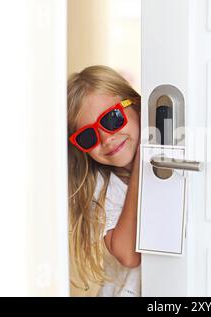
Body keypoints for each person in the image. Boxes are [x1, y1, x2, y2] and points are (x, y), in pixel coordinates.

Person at [67, 65, 141, 296]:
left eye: (112, 119)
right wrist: (142, 165)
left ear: (135, 105)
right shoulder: (98, 184)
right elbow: (129, 255)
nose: (106, 139)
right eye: (88, 136)